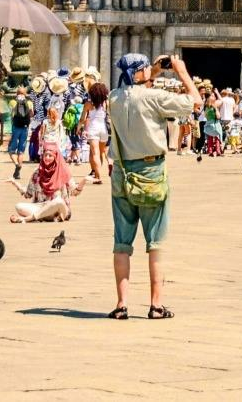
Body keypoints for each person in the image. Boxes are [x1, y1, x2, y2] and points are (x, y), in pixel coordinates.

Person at [107, 52, 201, 319]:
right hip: (151, 173)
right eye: (146, 68)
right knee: (155, 242)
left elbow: (134, 88)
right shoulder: (155, 97)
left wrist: (155, 70)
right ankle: (156, 305)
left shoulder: (113, 98)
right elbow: (195, 102)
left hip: (122, 175)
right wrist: (181, 71)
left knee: (121, 243)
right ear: (139, 73)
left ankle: (121, 305)